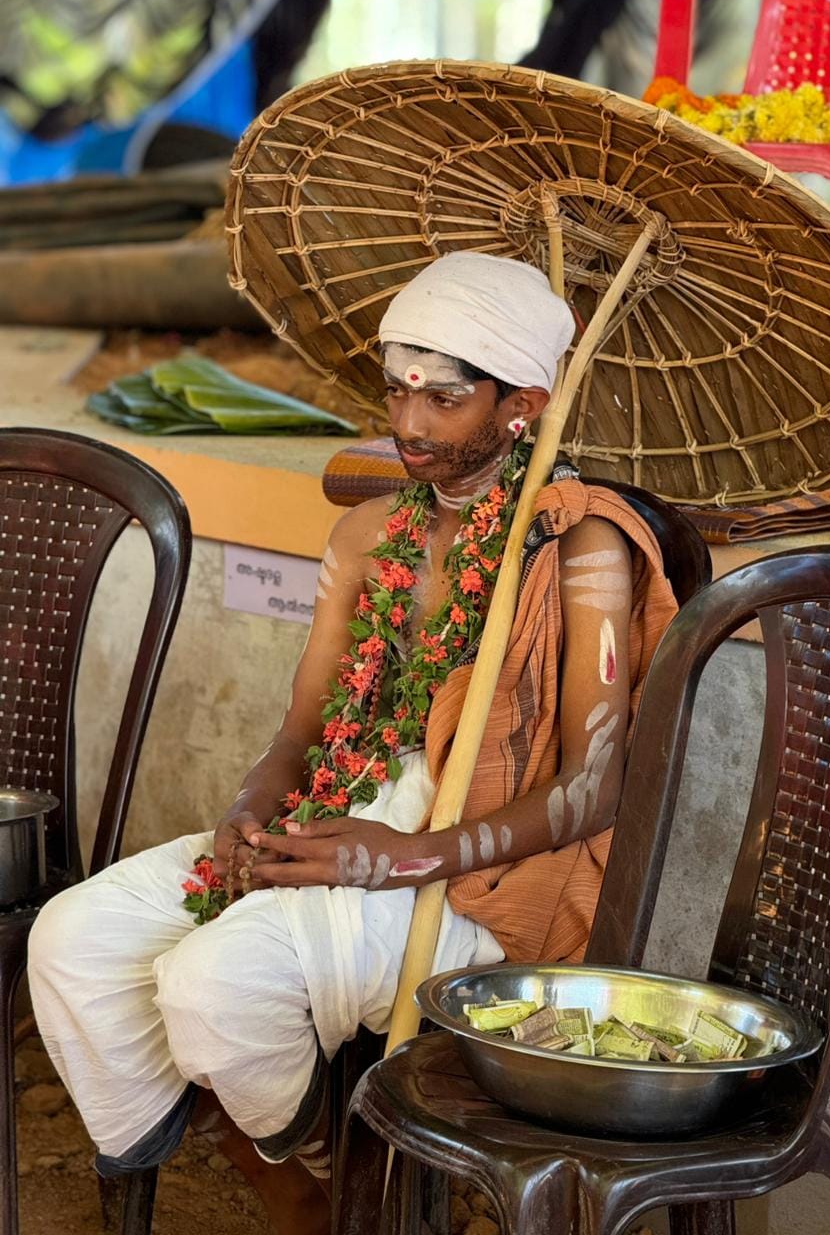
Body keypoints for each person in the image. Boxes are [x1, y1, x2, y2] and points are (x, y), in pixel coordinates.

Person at [27, 251, 679, 1234]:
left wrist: (408, 855)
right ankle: (314, 1169)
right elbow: (302, 732)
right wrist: (249, 814)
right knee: (74, 939)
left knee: (214, 980)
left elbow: (593, 789)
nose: (409, 423)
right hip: (346, 813)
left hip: (489, 873)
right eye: (397, 390)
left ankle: (315, 1186)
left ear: (524, 405)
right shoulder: (368, 534)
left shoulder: (582, 547)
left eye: (446, 400)